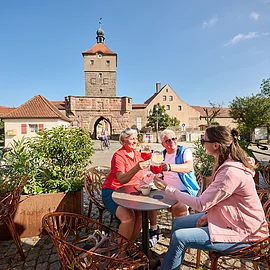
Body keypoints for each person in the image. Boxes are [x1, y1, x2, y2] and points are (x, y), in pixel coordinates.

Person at [154, 126, 269, 270]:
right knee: (178, 223)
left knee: (180, 237)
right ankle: (172, 260)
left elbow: (201, 204)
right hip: (231, 219)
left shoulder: (230, 172)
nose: (202, 143)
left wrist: (167, 188)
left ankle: (166, 266)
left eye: (204, 140)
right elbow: (222, 200)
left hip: (246, 234)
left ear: (216, 145)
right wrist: (209, 216)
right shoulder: (227, 163)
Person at [148, 129, 200, 247]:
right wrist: (156, 176)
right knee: (150, 201)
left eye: (173, 139)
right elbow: (160, 172)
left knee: (179, 207)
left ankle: (179, 238)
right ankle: (154, 230)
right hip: (167, 191)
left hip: (186, 190)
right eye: (168, 140)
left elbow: (188, 167)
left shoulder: (184, 151)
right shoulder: (163, 154)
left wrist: (170, 167)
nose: (172, 142)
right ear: (163, 144)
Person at [102, 128, 150, 242]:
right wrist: (137, 167)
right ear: (124, 140)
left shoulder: (138, 154)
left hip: (132, 192)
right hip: (113, 191)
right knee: (128, 217)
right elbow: (122, 179)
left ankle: (129, 245)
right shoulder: (118, 156)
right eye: (132, 139)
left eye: (136, 138)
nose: (135, 141)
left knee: (141, 216)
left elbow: (143, 174)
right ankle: (122, 253)